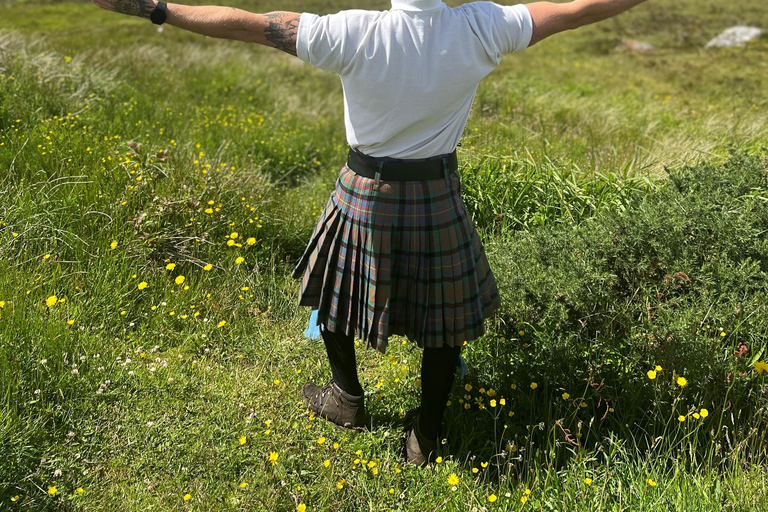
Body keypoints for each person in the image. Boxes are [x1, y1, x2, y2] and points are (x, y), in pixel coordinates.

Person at [93, 0, 650, 465]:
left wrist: (155, 8)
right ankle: (425, 435)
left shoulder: (353, 31)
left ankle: (346, 397)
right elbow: (576, 9)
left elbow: (247, 23)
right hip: (436, 191)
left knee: (332, 291)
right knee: (444, 315)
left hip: (365, 189)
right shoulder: (482, 26)